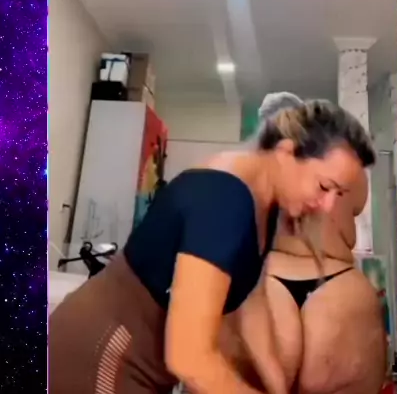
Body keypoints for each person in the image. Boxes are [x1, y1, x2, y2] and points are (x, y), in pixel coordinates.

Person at [49, 98, 375, 394]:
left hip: (141, 364)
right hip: (102, 353)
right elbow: (189, 357)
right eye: (324, 186)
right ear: (287, 152)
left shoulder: (265, 206)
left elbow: (252, 310)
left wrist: (276, 388)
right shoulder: (226, 199)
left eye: (339, 195)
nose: (327, 207)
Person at [225, 93, 386, 394]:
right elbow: (350, 230)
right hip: (337, 285)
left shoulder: (252, 172)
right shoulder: (347, 174)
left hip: (262, 281)